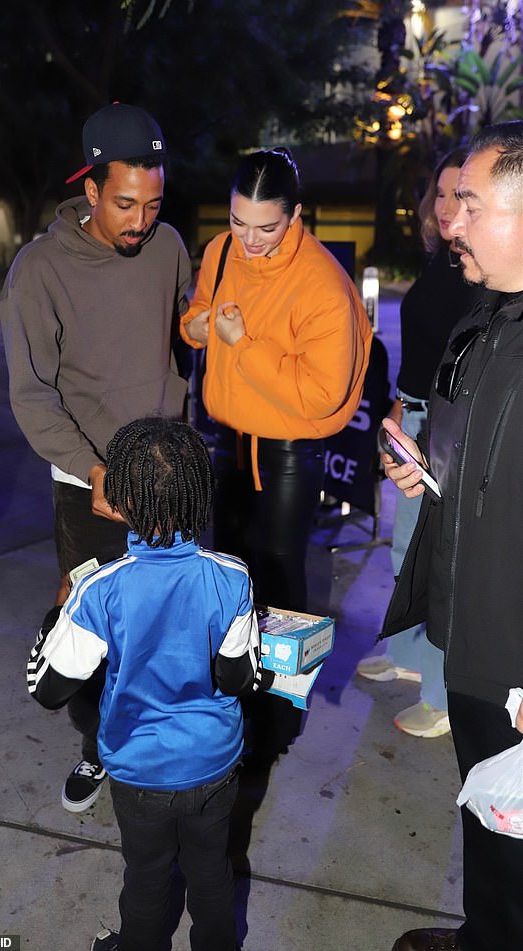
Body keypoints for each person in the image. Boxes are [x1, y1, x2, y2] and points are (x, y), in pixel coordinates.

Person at [0, 103, 192, 813]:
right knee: (97, 634)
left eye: (153, 202)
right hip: (89, 482)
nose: (140, 219)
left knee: (167, 626)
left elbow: (179, 335)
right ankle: (96, 746)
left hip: (170, 474)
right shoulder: (39, 270)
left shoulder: (169, 246)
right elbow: (32, 395)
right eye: (124, 203)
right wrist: (94, 470)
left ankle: (154, 736)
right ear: (89, 189)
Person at [27, 417, 261, 951]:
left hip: (138, 770)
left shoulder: (99, 588)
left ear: (121, 501)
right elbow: (236, 676)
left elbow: (48, 688)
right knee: (211, 874)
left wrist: (56, 614)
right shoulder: (231, 575)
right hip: (214, 764)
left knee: (148, 877)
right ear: (199, 492)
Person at [380, 122, 523, 951]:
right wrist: (421, 469)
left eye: (468, 203)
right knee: (487, 804)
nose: (450, 220)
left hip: (517, 661)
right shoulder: (481, 317)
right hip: (469, 641)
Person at [180, 148, 372, 763]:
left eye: (267, 226)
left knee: (281, 578)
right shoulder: (219, 252)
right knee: (230, 574)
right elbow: (192, 321)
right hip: (227, 439)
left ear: (295, 216)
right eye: (238, 222)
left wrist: (243, 342)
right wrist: (202, 328)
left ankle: (282, 712)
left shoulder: (321, 283)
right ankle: (234, 693)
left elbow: (322, 393)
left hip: (288, 449)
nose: (250, 240)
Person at [357, 148, 479, 738]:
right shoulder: (441, 259)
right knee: (404, 551)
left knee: (432, 560)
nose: (450, 207)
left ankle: (442, 694)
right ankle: (408, 654)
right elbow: (422, 350)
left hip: (449, 426)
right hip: (417, 416)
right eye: (443, 193)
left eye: (464, 195)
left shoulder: (483, 269)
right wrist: (399, 405)